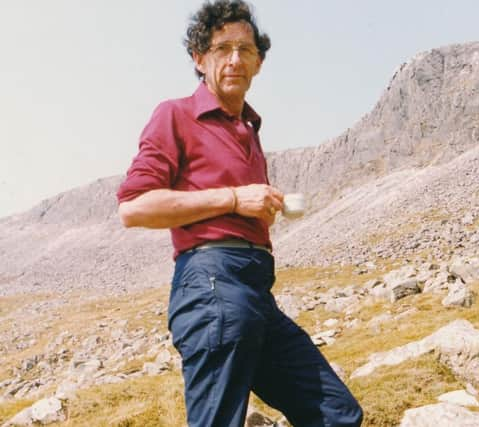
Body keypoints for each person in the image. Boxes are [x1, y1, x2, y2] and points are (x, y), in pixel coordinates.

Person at [116, 1, 363, 426]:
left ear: (259, 62)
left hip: (255, 291)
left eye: (245, 50)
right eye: (222, 48)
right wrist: (232, 200)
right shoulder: (175, 114)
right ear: (199, 58)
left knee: (337, 414)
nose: (234, 60)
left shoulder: (248, 128)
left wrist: (261, 205)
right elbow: (134, 208)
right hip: (210, 283)